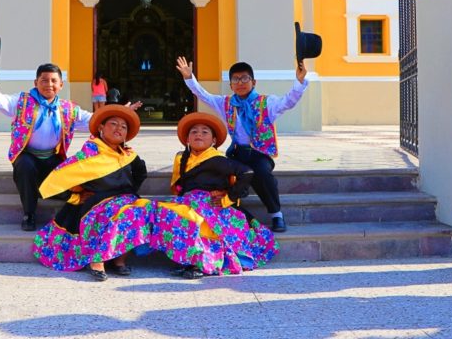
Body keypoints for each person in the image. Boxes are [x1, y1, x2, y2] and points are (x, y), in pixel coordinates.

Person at [0, 59, 141, 232]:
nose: (49, 84)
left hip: (53, 156)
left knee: (75, 177)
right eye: (44, 80)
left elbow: (94, 119)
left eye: (54, 81)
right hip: (27, 155)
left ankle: (54, 196)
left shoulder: (68, 109)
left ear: (61, 84)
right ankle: (29, 213)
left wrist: (119, 112)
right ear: (36, 83)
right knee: (25, 167)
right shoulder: (22, 101)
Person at [176, 56, 308, 233]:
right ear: (231, 84)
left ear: (253, 82)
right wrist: (189, 78)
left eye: (244, 78)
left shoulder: (266, 102)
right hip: (237, 152)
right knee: (223, 169)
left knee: (262, 172)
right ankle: (228, 207)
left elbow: (288, 101)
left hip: (259, 152)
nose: (240, 83)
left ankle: (276, 214)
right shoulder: (226, 103)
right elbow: (203, 95)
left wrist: (299, 83)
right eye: (236, 79)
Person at [33, 105, 153, 281]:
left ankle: (120, 260)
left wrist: (129, 191)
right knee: (112, 214)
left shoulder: (129, 155)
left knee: (141, 210)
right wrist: (75, 196)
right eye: (113, 123)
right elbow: (58, 178)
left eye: (124, 126)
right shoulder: (88, 154)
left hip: (125, 198)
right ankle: (97, 260)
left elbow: (141, 173)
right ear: (100, 128)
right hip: (98, 201)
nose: (119, 128)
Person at [150, 112, 278, 278]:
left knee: (199, 219)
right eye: (194, 132)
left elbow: (246, 172)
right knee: (165, 212)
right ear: (187, 139)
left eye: (205, 132)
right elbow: (179, 185)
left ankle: (199, 262)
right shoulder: (182, 158)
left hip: (211, 204)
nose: (198, 134)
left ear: (214, 141)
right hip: (188, 201)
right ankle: (185, 259)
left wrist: (228, 197)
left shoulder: (217, 159)